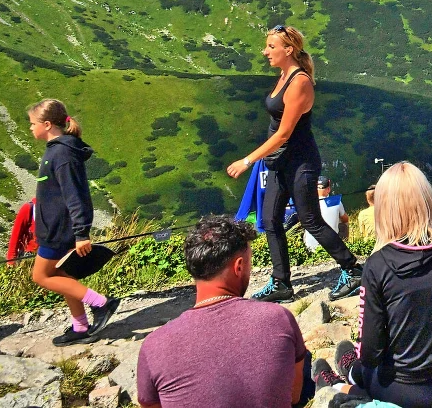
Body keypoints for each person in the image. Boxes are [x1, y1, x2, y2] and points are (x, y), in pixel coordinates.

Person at [312, 163, 432, 408]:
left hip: (410, 393)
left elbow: (371, 353)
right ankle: (351, 372)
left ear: (384, 210)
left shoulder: (377, 265)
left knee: (366, 366)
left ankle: (342, 383)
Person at [226, 26, 363, 303]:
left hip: (300, 162)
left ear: (288, 50)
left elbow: (284, 133)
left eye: (271, 47)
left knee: (310, 219)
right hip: (280, 162)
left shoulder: (299, 81)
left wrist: (248, 160)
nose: (265, 51)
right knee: (270, 220)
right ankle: (281, 284)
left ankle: (353, 270)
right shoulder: (283, 76)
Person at [137, 217, 311, 408]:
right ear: (238, 267)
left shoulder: (153, 345)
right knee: (304, 358)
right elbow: (293, 396)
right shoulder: (278, 318)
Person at [27, 99, 119, 344]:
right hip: (55, 226)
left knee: (41, 276)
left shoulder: (62, 153)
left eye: (32, 123)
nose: (30, 128)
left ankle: (102, 303)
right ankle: (80, 327)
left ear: (47, 125)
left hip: (59, 229)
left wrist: (81, 233)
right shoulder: (56, 150)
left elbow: (75, 194)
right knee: (63, 274)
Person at [304, 177, 348, 251]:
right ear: (328, 189)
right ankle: (344, 246)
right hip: (332, 247)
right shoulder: (335, 201)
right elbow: (345, 219)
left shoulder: (307, 203)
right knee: (344, 224)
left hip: (310, 248)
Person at [7, 197, 37, 264]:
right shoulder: (29, 209)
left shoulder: (59, 211)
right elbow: (15, 237)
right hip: (28, 260)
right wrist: (11, 262)